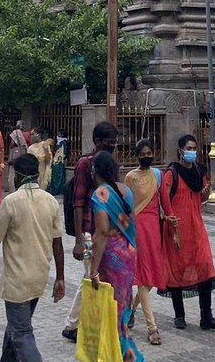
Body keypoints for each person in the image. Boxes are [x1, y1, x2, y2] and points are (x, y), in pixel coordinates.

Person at [0, 153, 65, 362]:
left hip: (17, 280)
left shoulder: (10, 202)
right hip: (39, 277)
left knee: (21, 332)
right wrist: (60, 278)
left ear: (17, 177)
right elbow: (58, 243)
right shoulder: (51, 202)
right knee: (16, 325)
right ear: (37, 174)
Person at [160, 133, 215, 332]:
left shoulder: (199, 170)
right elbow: (164, 199)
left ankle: (207, 316)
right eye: (188, 148)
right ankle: (179, 315)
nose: (192, 152)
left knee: (205, 266)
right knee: (177, 269)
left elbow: (200, 199)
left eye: (194, 148)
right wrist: (171, 225)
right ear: (180, 150)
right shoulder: (171, 173)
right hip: (177, 228)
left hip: (196, 226)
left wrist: (205, 197)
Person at [62, 119, 119, 344]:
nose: (113, 145)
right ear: (97, 142)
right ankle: (73, 324)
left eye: (115, 142)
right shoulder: (86, 164)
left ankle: (76, 323)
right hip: (88, 229)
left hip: (107, 229)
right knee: (91, 275)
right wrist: (78, 239)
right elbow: (77, 202)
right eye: (109, 142)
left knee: (94, 275)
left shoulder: (111, 164)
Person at [89, 149, 145, 362]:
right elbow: (133, 222)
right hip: (128, 251)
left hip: (112, 254)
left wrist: (93, 270)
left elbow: (102, 232)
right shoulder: (124, 190)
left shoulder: (100, 195)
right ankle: (117, 350)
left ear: (95, 171)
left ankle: (122, 353)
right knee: (122, 302)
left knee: (111, 305)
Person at [125, 138, 173, 346]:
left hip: (155, 229)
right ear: (136, 156)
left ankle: (130, 309)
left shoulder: (158, 175)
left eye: (149, 153)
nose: (146, 156)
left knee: (152, 278)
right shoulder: (130, 177)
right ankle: (152, 327)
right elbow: (126, 205)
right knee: (143, 276)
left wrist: (173, 223)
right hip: (137, 229)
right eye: (142, 154)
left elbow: (166, 203)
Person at [7, 119, 29, 188]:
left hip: (16, 156)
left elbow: (12, 144)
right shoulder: (28, 134)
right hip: (24, 155)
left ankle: (12, 189)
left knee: (12, 175)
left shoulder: (15, 133)